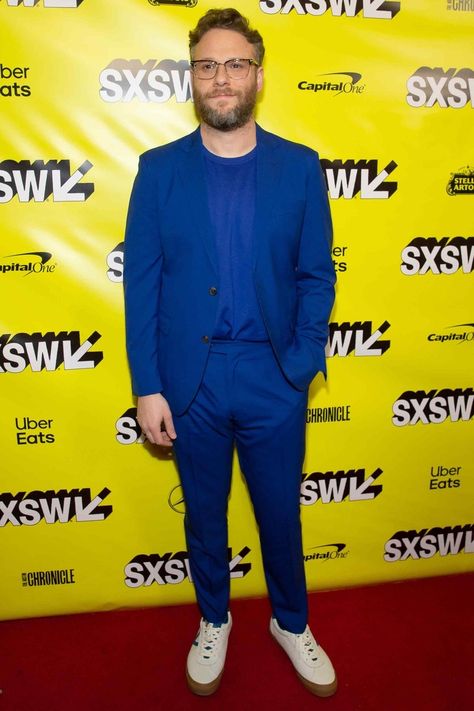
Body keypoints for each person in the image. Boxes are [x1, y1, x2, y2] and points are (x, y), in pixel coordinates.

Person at [123, 7, 337, 698]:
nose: (222, 78)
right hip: (192, 381)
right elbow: (144, 286)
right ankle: (213, 618)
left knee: (280, 510)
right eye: (207, 65)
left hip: (274, 376)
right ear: (193, 77)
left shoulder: (301, 169)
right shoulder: (157, 172)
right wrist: (148, 384)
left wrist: (299, 365)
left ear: (258, 75)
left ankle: (290, 620)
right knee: (204, 511)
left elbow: (316, 275)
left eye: (235, 64)